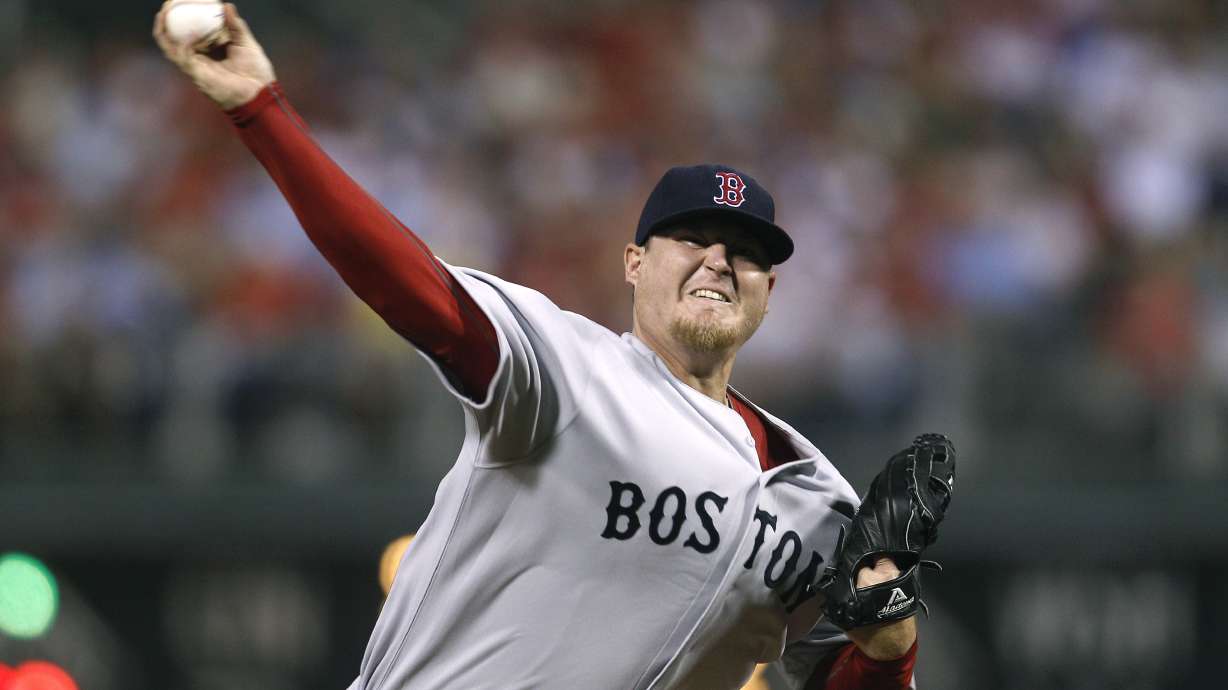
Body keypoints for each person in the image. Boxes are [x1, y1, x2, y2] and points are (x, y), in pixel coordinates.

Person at [154, 3, 926, 688]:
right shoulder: (567, 371)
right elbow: (409, 285)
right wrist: (263, 110)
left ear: (768, 289)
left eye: (746, 252)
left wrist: (890, 649)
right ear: (633, 264)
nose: (718, 260)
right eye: (691, 237)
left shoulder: (823, 505)